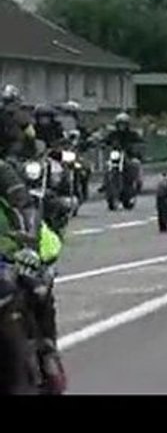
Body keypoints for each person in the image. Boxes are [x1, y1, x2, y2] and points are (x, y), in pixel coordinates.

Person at [0, 158, 66, 394]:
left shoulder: (3, 171)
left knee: (36, 287)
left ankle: (47, 350)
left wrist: (28, 243)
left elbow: (24, 206)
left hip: (7, 255)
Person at [100, 113, 145, 198]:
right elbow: (106, 140)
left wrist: (136, 146)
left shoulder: (132, 134)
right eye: (120, 124)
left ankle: (137, 182)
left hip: (129, 155)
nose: (122, 126)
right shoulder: (113, 134)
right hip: (116, 155)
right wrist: (103, 144)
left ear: (127, 125)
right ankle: (106, 184)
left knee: (136, 164)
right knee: (108, 165)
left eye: (123, 124)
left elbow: (140, 141)